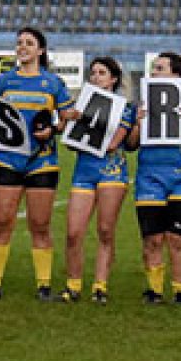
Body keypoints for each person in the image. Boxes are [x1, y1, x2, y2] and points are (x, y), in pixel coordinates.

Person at [0, 26, 80, 300]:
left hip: (42, 161)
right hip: (7, 159)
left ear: (41, 50)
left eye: (29, 43)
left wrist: (57, 127)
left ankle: (44, 285)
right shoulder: (4, 82)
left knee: (40, 224)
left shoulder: (53, 83)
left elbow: (64, 119)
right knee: (2, 221)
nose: (22, 47)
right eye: (19, 42)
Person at [61, 56, 138, 304]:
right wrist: (68, 122)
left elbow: (114, 143)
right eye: (93, 72)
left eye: (101, 72)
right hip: (84, 170)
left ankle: (100, 286)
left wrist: (84, 126)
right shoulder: (81, 106)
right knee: (73, 232)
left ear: (113, 79)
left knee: (105, 230)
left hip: (111, 172)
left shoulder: (124, 108)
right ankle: (73, 285)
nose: (95, 77)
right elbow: (73, 144)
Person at [129, 52, 181, 305]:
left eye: (159, 68)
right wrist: (137, 124)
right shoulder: (143, 103)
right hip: (149, 177)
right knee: (152, 238)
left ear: (177, 75)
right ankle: (154, 291)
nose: (154, 73)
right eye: (153, 69)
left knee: (177, 238)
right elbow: (130, 144)